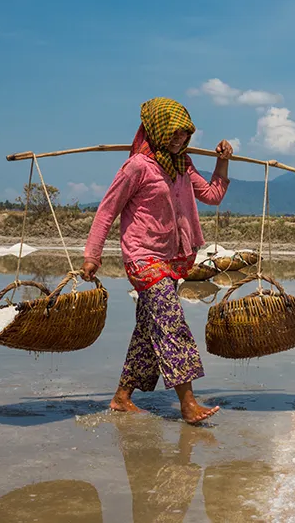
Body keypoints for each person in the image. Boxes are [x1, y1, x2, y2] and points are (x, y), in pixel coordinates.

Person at [81, 96, 232, 423]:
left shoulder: (183, 165)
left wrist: (223, 162)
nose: (180, 139)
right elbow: (107, 212)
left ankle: (122, 396)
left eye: (186, 134)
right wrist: (92, 255)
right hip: (143, 257)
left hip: (173, 258)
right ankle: (188, 403)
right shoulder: (137, 167)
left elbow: (213, 195)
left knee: (150, 329)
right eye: (174, 133)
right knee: (171, 322)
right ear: (157, 131)